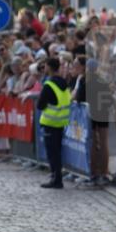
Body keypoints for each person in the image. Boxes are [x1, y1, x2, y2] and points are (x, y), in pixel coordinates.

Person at [37, 57, 70, 189]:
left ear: (49, 67)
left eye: (45, 66)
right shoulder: (64, 83)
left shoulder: (49, 85)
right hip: (61, 123)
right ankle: (58, 178)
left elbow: (40, 105)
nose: (44, 68)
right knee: (57, 152)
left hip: (50, 123)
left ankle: (56, 179)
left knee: (52, 154)